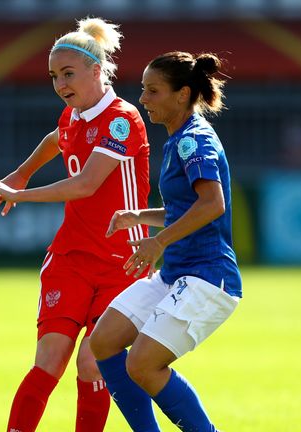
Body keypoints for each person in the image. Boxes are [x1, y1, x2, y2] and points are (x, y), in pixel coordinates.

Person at [0, 17, 151, 432]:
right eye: (54, 76)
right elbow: (57, 139)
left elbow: (86, 184)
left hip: (123, 264)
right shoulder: (73, 115)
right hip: (71, 258)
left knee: (92, 363)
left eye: (68, 74)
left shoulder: (121, 119)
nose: (60, 84)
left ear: (97, 70)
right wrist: (21, 173)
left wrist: (20, 195)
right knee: (49, 360)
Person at [89, 51, 242, 432]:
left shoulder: (194, 141)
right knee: (104, 341)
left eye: (152, 91)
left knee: (141, 364)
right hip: (177, 273)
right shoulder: (177, 141)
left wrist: (158, 242)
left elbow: (213, 204)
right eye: (143, 90)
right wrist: (140, 217)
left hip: (208, 278)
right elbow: (186, 208)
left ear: (181, 94)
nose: (143, 99)